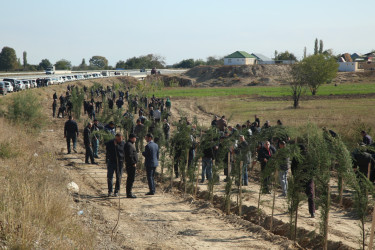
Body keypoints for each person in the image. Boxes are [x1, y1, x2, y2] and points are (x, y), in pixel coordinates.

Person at [124, 134, 138, 198]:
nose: (136, 139)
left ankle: (129, 193)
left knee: (131, 179)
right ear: (132, 138)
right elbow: (129, 155)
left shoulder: (130, 144)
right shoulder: (129, 145)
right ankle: (129, 193)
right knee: (130, 179)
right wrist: (133, 163)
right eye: (135, 138)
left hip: (130, 164)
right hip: (131, 165)